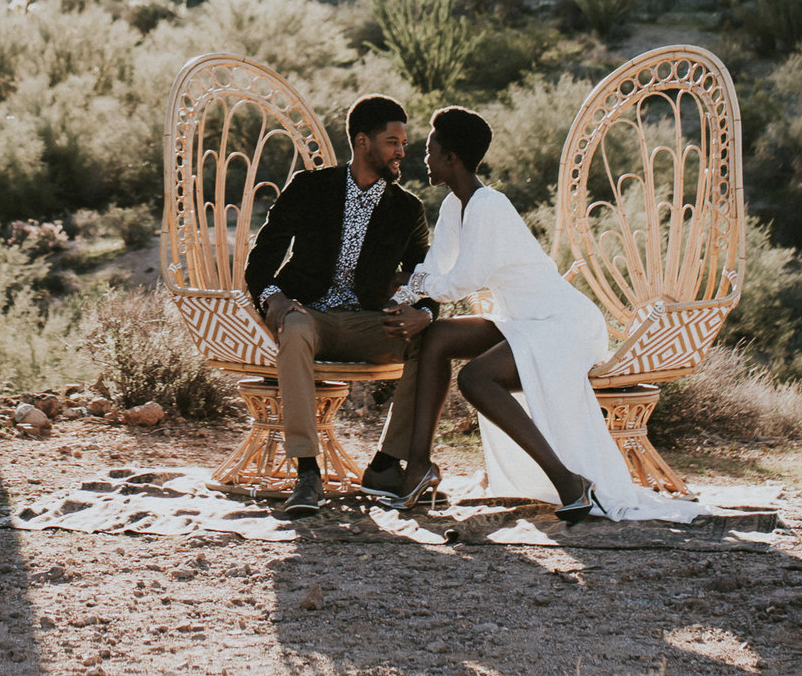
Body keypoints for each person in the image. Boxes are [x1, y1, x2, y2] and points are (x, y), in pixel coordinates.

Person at [385, 106, 706, 523]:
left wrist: (412, 290)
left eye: (430, 150)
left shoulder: (490, 207)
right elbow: (436, 266)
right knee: (438, 337)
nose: (423, 158)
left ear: (452, 159)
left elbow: (463, 280)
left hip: (564, 324)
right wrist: (405, 296)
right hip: (523, 321)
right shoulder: (453, 206)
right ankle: (419, 468)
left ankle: (569, 482)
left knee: (475, 378)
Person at [242, 93, 441, 518]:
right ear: (362, 141)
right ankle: (307, 471)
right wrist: (271, 296)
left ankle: (386, 464)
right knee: (293, 330)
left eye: (403, 143)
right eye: (392, 142)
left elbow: (426, 278)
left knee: (432, 341)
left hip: (369, 322)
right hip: (308, 315)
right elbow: (262, 258)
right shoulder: (311, 189)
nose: (401, 151)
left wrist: (423, 313)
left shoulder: (407, 209)